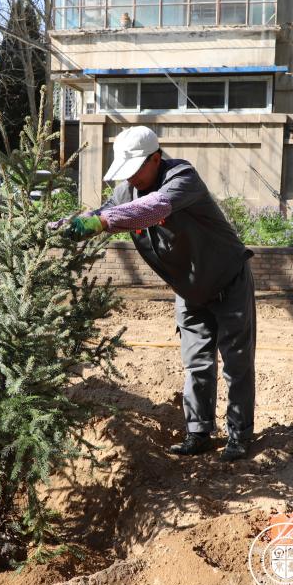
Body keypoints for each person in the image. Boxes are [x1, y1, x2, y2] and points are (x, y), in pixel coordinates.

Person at [57, 126, 256, 462]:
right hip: (189, 291)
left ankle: (239, 436)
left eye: (136, 169)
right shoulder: (126, 192)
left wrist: (101, 224)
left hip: (228, 282)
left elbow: (155, 208)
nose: (131, 178)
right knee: (196, 363)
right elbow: (99, 214)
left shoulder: (182, 179)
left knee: (236, 365)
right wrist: (61, 228)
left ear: (156, 158)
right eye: (127, 171)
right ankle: (198, 433)